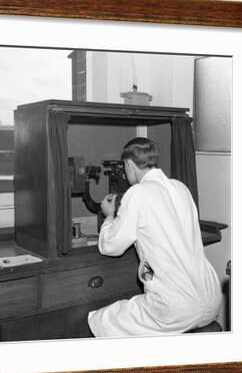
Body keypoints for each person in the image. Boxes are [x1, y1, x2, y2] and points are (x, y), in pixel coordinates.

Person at [87, 137, 222, 337]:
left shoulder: (138, 193)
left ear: (129, 164)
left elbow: (111, 247)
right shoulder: (180, 187)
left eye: (125, 167)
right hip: (212, 300)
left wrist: (109, 216)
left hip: (176, 309)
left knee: (100, 320)